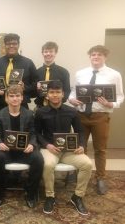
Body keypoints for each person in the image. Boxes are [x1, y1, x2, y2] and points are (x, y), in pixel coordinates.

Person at [69, 45, 124, 195]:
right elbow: (73, 92)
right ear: (90, 57)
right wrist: (72, 100)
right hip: (81, 116)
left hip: (100, 116)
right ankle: (80, 172)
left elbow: (120, 96)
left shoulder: (114, 74)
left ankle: (100, 178)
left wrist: (111, 104)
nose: (96, 57)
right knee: (81, 147)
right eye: (93, 54)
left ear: (105, 57)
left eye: (99, 55)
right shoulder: (81, 73)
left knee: (100, 149)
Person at [35, 81, 92, 215]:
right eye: (52, 92)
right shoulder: (40, 112)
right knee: (48, 165)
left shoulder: (72, 111)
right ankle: (50, 197)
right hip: (49, 149)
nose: (55, 95)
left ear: (63, 94)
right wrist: (47, 145)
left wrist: (82, 146)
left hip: (68, 150)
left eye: (58, 92)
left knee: (87, 164)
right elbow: (36, 133)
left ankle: (77, 196)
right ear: (47, 95)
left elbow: (80, 131)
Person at [0, 85, 44, 208]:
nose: (14, 99)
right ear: (6, 98)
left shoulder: (29, 114)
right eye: (11, 96)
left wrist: (31, 144)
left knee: (38, 159)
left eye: (17, 96)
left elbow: (33, 133)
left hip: (24, 150)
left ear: (22, 98)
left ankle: (31, 193)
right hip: (6, 151)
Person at [0, 33, 38, 113]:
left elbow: (35, 84)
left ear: (18, 45)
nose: (11, 46)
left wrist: (24, 87)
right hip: (0, 105)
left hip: (21, 105)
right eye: (8, 44)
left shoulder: (28, 63)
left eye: (14, 43)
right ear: (4, 45)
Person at [35, 41, 70, 107]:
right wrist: (37, 89)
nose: (48, 54)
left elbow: (67, 91)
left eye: (51, 51)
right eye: (45, 51)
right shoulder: (37, 72)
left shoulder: (64, 72)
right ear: (42, 53)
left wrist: (57, 101)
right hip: (40, 107)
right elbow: (33, 93)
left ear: (55, 53)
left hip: (58, 108)